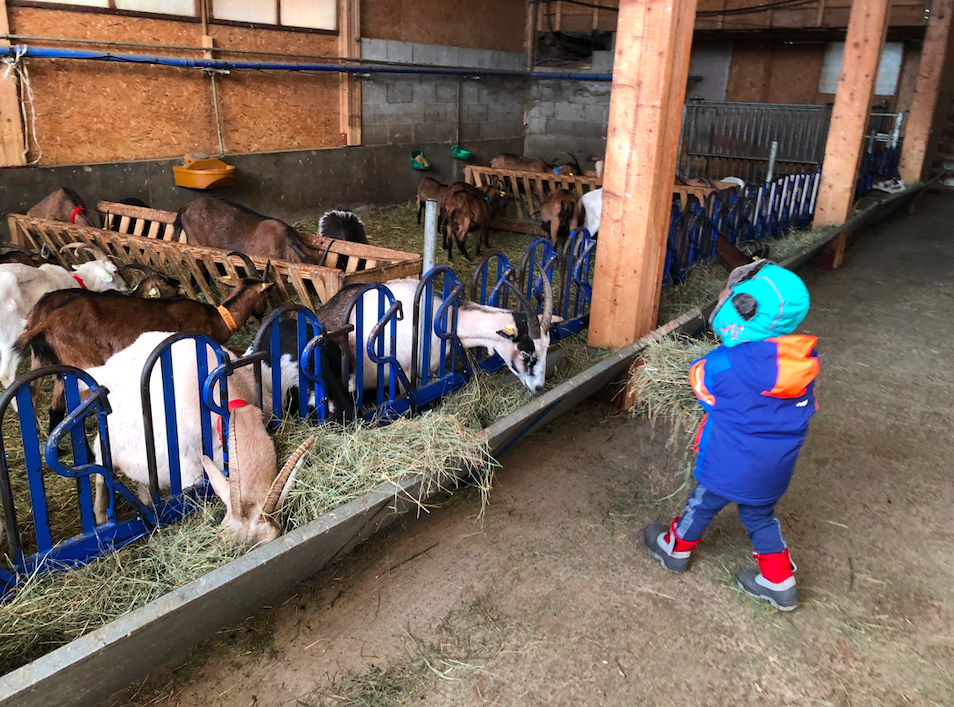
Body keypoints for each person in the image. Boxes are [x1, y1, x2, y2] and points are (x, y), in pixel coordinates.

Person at [643, 259, 819, 611]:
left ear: (741, 310)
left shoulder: (725, 366)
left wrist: (709, 359)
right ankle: (780, 580)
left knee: (702, 504)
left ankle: (674, 549)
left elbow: (702, 386)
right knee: (759, 517)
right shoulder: (802, 364)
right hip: (774, 469)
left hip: (728, 463)